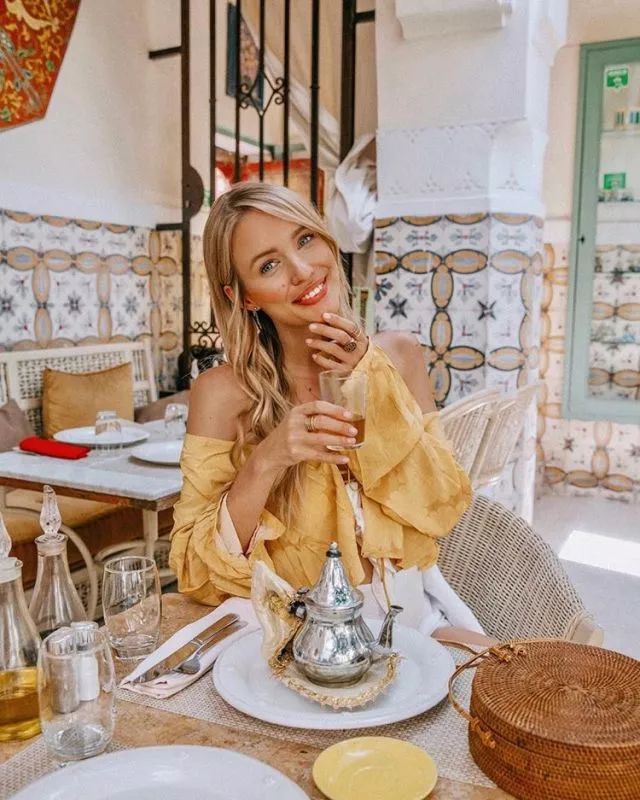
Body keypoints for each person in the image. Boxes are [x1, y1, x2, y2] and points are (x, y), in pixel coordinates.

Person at [169, 182, 487, 644]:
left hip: (415, 623)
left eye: (305, 239)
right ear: (245, 296)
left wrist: (372, 380)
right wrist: (268, 459)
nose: (302, 270)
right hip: (296, 637)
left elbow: (443, 506)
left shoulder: (399, 356)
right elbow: (194, 572)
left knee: (535, 680)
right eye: (269, 265)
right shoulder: (222, 394)